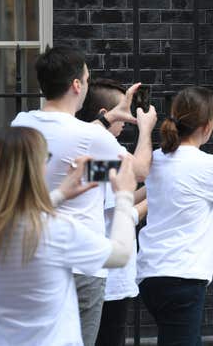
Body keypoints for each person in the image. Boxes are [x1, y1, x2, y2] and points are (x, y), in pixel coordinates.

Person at [11, 46, 157, 346]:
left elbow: (70, 151)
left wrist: (107, 120)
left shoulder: (22, 123)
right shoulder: (91, 138)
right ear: (77, 85)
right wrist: (145, 128)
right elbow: (138, 171)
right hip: (81, 265)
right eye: (87, 79)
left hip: (32, 256)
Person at [0, 126, 138, 346]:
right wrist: (125, 196)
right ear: (34, 167)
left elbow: (13, 215)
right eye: (46, 158)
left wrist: (60, 194)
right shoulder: (55, 230)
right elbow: (120, 254)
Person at [136, 86, 213, 346]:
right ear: (208, 126)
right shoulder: (207, 164)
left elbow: (191, 190)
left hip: (151, 276)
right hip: (183, 279)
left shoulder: (157, 158)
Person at [76, 78, 149, 346]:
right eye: (124, 111)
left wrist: (152, 192)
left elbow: (121, 196)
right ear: (105, 115)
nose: (127, 119)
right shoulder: (107, 152)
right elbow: (123, 210)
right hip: (107, 276)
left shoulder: (79, 149)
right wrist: (145, 130)